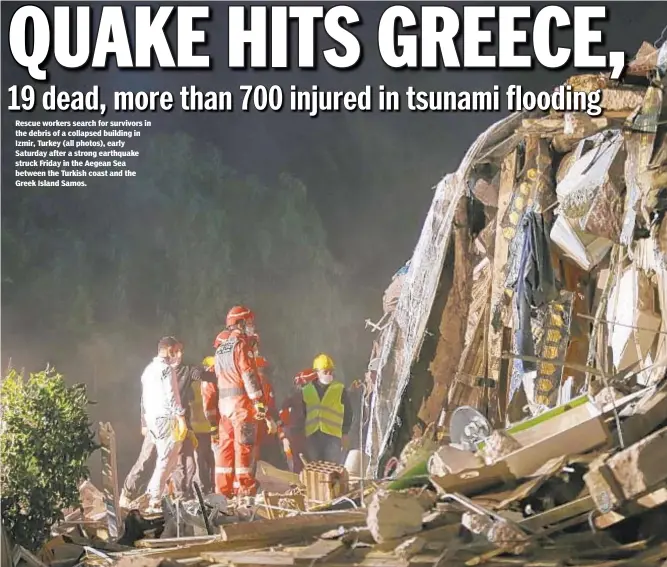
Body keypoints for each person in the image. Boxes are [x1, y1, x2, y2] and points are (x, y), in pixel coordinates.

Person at [203, 305, 266, 501]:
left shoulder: (220, 349)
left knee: (225, 448)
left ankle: (223, 492)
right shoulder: (241, 345)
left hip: (224, 406)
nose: (251, 326)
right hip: (241, 404)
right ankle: (245, 489)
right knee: (244, 446)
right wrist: (258, 401)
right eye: (248, 322)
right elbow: (248, 374)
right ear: (240, 323)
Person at [141, 336, 187, 513]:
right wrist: (181, 417)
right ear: (169, 350)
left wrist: (145, 421)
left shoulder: (148, 370)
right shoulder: (166, 370)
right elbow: (171, 395)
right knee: (166, 458)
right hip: (166, 418)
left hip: (153, 419)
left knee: (165, 458)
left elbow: (144, 399)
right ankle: (154, 498)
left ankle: (156, 495)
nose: (178, 354)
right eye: (176, 350)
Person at [170, 343, 216, 499]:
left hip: (199, 427)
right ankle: (187, 492)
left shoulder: (193, 376)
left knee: (194, 463)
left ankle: (192, 491)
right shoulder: (199, 384)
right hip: (194, 427)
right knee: (190, 461)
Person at [302, 354, 353, 464]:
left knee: (332, 468)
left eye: (331, 372)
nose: (329, 374)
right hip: (312, 435)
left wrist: (345, 433)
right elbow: (301, 413)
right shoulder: (306, 390)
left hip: (333, 436)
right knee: (314, 467)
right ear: (317, 372)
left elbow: (348, 413)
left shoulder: (339, 389)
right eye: (325, 372)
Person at [277, 368, 316, 473]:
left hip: (296, 435)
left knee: (298, 463)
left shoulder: (291, 398)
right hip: (297, 435)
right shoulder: (299, 398)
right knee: (300, 463)